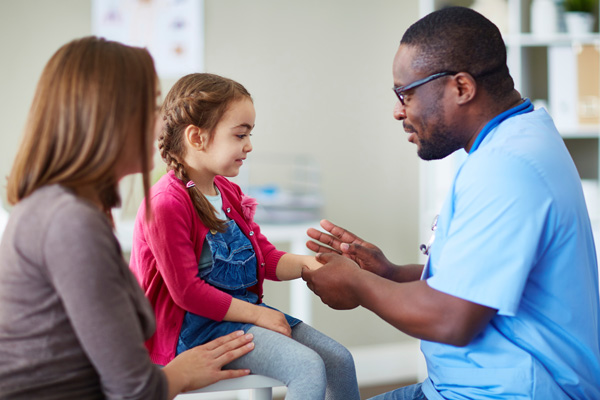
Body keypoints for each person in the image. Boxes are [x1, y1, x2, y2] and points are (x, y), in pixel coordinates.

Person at [302, 7, 600, 400]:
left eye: (405, 93)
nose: (397, 111)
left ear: (461, 87)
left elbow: (452, 319)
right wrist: (389, 273)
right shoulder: (516, 139)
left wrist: (358, 285)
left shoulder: (505, 168)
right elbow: (479, 280)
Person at [0, 36, 256, 400]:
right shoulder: (70, 223)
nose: (160, 125)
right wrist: (179, 375)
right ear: (108, 116)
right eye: (153, 107)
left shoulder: (66, 209)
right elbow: (135, 389)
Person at [129, 72, 360, 400]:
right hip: (194, 330)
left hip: (240, 314)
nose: (249, 146)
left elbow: (264, 258)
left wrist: (316, 264)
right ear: (197, 137)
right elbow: (186, 292)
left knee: (339, 360)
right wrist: (260, 314)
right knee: (307, 366)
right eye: (240, 135)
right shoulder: (166, 203)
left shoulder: (227, 192)